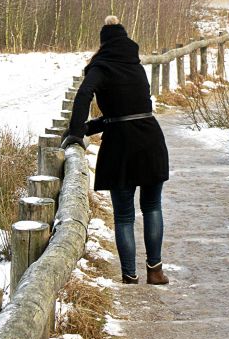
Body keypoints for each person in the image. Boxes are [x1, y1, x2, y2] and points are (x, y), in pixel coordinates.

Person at [61, 16, 169, 286]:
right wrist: (90, 128)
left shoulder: (101, 67)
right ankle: (155, 272)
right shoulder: (135, 66)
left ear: (103, 43)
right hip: (151, 138)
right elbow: (132, 110)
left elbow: (84, 94)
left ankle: (130, 277)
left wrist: (76, 130)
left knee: (123, 215)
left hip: (122, 145)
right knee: (153, 206)